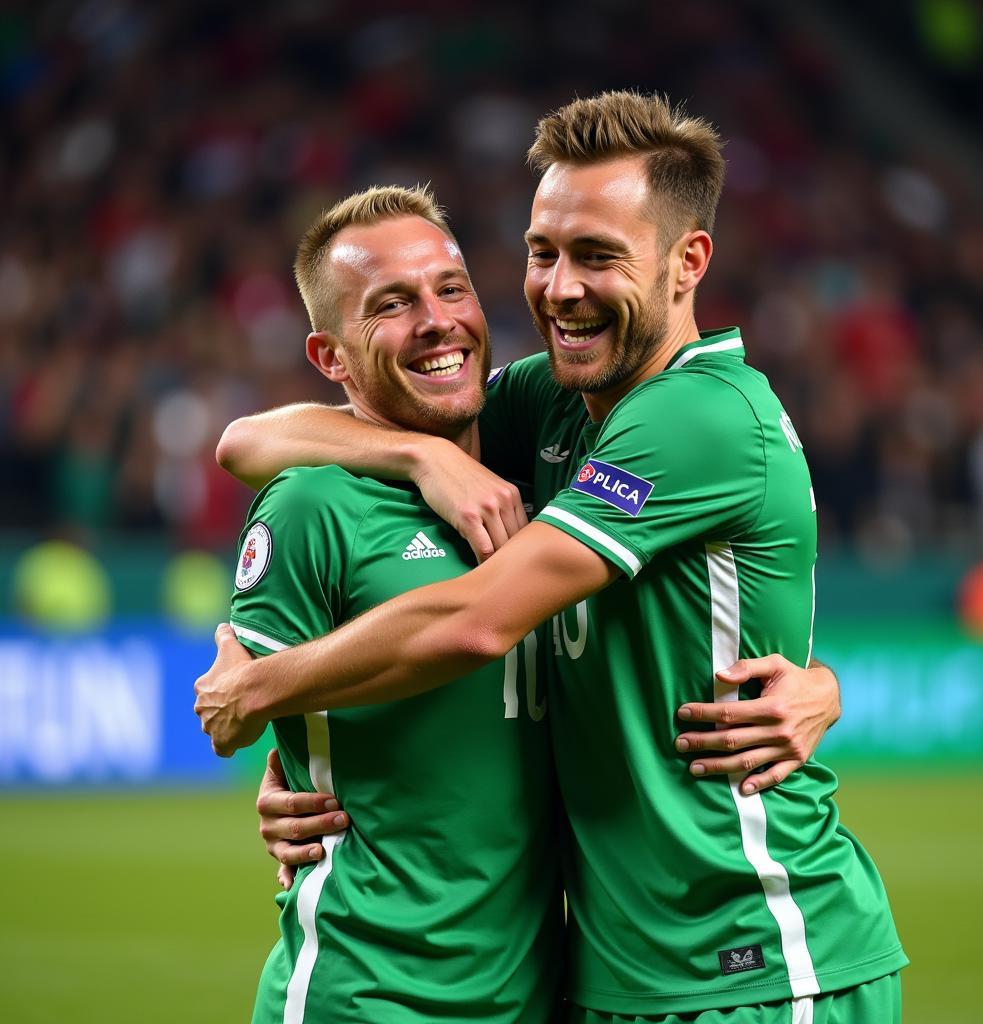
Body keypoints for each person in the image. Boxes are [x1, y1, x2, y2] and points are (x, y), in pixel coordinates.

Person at [198, 92, 905, 1021]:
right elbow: (249, 441)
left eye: (599, 256)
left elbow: (480, 618)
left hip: (758, 957)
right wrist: (419, 453)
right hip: (611, 972)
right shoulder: (561, 403)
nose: (560, 288)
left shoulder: (698, 417)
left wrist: (269, 688)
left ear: (688, 263)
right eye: (543, 252)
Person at [227, 185, 563, 1023]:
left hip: (542, 994)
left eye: (450, 288)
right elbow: (237, 700)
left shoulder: (548, 472)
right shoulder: (311, 508)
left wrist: (818, 683)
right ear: (331, 358)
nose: (437, 319)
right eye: (391, 304)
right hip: (369, 994)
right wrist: (419, 454)